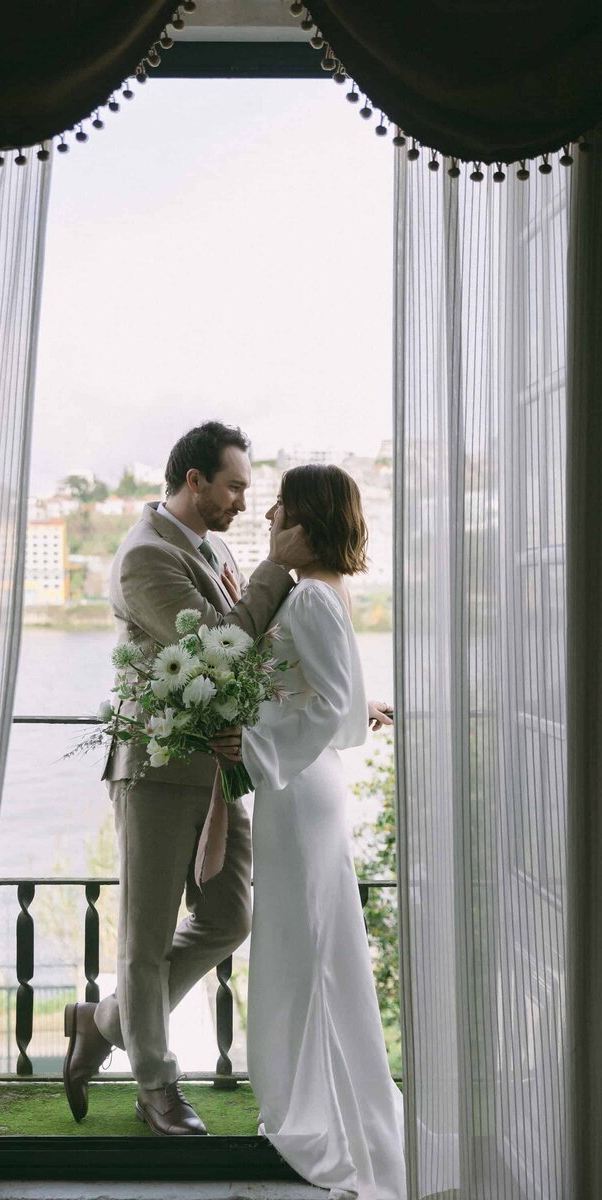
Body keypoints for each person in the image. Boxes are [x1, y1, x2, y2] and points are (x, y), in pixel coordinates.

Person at [62, 420, 309, 1136]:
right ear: (195, 481)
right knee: (144, 939)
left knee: (231, 917)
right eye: (234, 486)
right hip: (160, 769)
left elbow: (252, 651)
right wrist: (275, 568)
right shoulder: (144, 557)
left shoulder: (216, 546)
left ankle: (102, 1021)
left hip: (222, 766)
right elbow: (218, 644)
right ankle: (156, 1088)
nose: (242, 500)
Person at [241, 464, 405, 1200]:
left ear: (309, 521)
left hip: (296, 788)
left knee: (305, 950)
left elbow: (335, 712)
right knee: (311, 948)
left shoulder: (307, 598)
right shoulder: (328, 593)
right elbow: (340, 698)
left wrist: (247, 743)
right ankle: (320, 1103)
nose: (270, 512)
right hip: (304, 789)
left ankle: (322, 1117)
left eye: (283, 504)